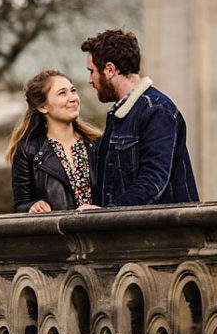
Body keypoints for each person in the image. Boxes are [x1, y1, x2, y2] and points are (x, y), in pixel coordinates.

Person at [81, 29, 199, 207]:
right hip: (131, 230)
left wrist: (106, 216)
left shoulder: (157, 110)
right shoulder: (120, 115)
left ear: (110, 70)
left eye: (92, 71)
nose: (90, 80)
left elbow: (153, 181)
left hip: (163, 232)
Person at [7, 69, 103, 213]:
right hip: (57, 234)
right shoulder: (28, 150)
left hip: (99, 232)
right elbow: (20, 204)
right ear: (42, 107)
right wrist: (32, 206)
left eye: (73, 90)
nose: (73, 98)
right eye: (62, 93)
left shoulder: (96, 143)